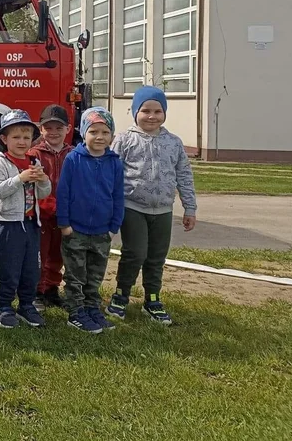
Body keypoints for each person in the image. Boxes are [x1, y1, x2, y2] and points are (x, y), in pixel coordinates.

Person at [108, 86, 197, 325]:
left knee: (156, 256)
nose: (151, 116)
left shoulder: (174, 143)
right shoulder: (125, 140)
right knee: (135, 253)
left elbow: (184, 175)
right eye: (145, 110)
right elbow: (112, 172)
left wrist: (190, 207)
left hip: (164, 210)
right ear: (135, 112)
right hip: (132, 207)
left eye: (158, 111)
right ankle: (121, 294)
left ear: (165, 113)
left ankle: (153, 299)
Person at [57, 107, 124, 334]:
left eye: (105, 132)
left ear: (112, 136)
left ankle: (92, 307)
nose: (99, 137)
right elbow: (63, 193)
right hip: (75, 230)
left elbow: (117, 195)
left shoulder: (114, 162)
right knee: (76, 274)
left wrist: (114, 225)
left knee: (95, 274)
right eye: (93, 131)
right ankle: (76, 312)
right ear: (84, 133)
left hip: (103, 231)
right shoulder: (73, 160)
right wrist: (64, 223)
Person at [0, 110, 51, 329]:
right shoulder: (0, 162)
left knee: (31, 268)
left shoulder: (33, 160)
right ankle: (4, 306)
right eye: (16, 137)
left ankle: (26, 304)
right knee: (10, 268)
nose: (22, 142)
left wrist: (43, 180)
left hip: (32, 222)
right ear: (4, 139)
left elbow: (43, 193)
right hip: (8, 224)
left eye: (26, 137)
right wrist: (19, 178)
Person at [28, 104, 73, 310]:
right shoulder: (33, 154)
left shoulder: (73, 154)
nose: (53, 132)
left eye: (59, 128)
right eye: (49, 128)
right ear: (41, 128)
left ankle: (52, 288)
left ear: (68, 129)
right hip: (41, 214)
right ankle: (37, 289)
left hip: (64, 215)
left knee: (58, 253)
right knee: (40, 253)